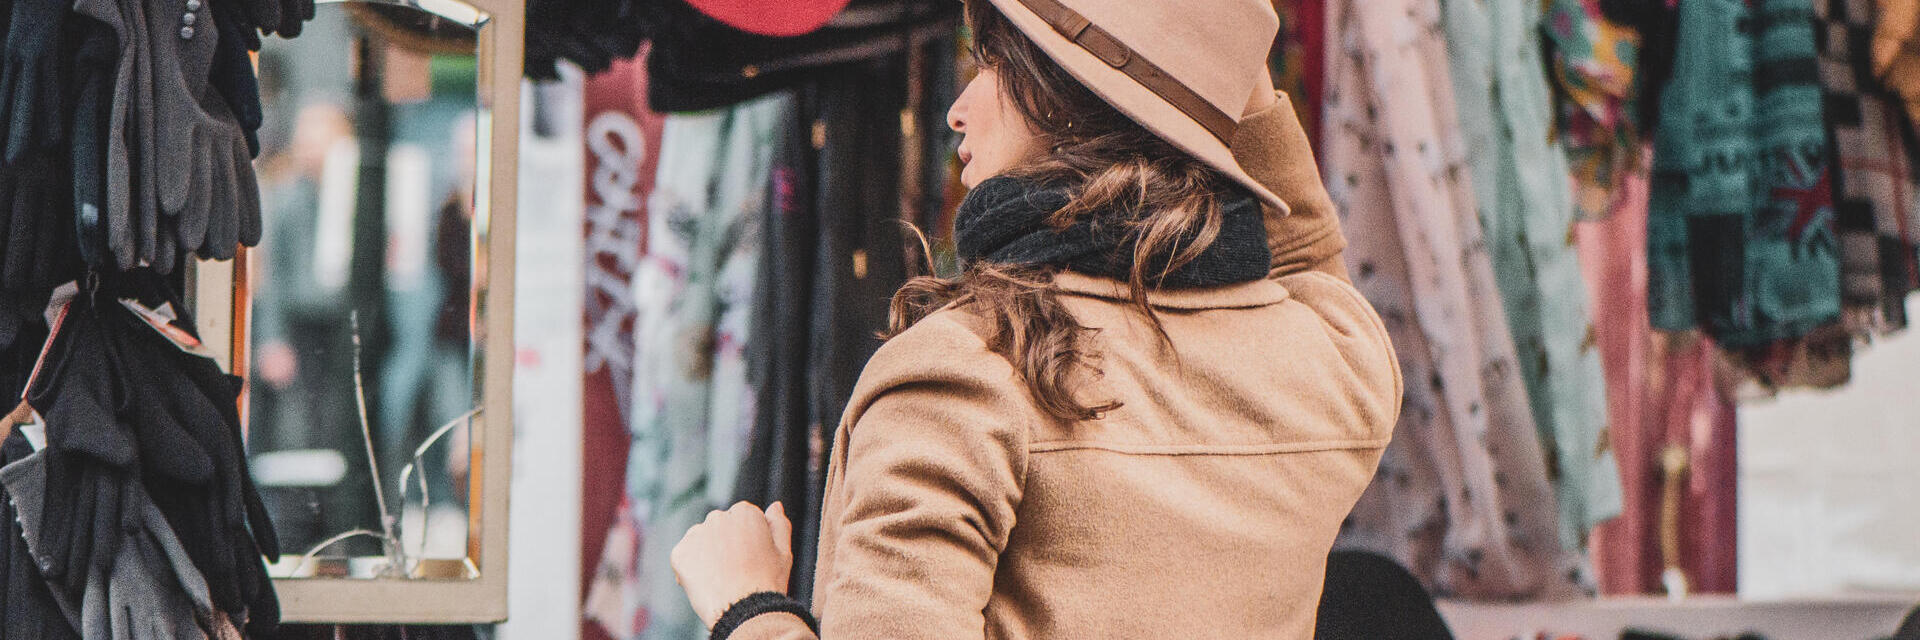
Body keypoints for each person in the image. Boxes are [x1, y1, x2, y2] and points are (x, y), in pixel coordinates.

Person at [669, 0, 1402, 638]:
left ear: (1065, 94)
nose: (958, 107)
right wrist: (1202, 59)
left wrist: (750, 606)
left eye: (992, 65)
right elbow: (1306, 253)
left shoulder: (958, 382)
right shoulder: (1332, 362)